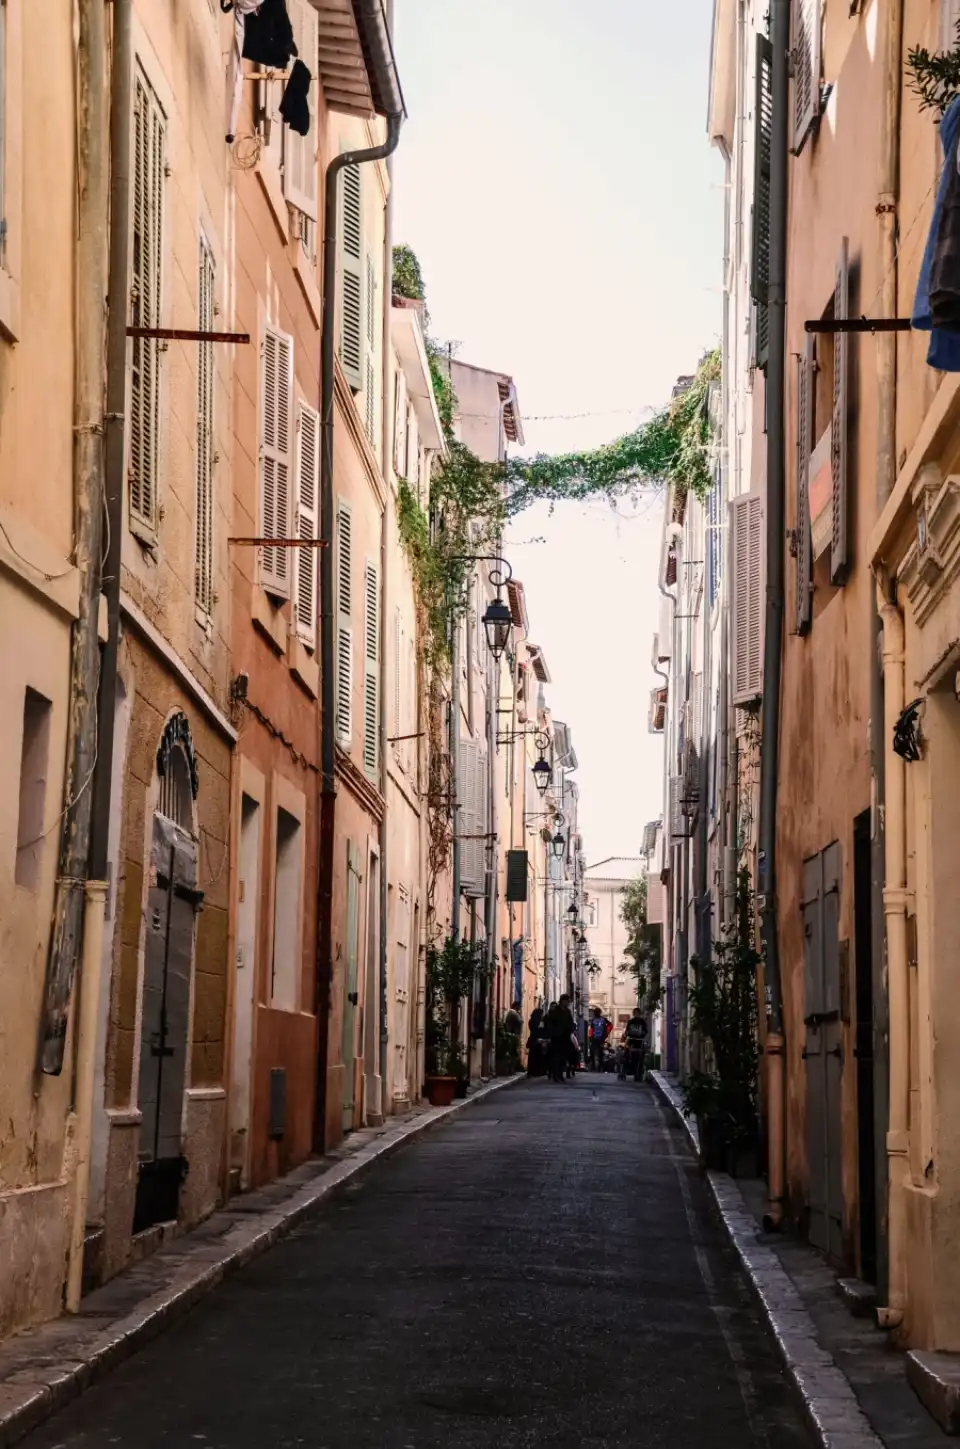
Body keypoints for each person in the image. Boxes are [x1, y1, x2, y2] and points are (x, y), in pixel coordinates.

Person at [545, 995, 576, 1082]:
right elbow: (549, 1024)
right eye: (567, 1001)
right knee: (556, 1057)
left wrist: (571, 1028)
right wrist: (550, 1035)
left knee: (563, 1057)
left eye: (568, 1001)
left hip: (565, 1036)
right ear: (562, 1001)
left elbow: (570, 1022)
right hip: (556, 1037)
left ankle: (560, 1074)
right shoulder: (554, 1011)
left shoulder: (567, 1012)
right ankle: (556, 1075)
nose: (568, 1003)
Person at [621, 1008, 648, 1082]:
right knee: (626, 1056)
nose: (636, 1015)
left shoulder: (643, 1022)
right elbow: (627, 1031)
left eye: (637, 1013)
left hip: (639, 1042)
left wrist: (641, 1033)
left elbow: (645, 1031)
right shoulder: (631, 1021)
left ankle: (638, 1073)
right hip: (631, 1041)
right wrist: (627, 1034)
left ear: (640, 1014)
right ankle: (624, 1071)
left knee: (640, 1059)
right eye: (635, 1013)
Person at [588, 1007, 610, 1073]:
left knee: (596, 1053)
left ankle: (596, 1068)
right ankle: (598, 1067)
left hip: (597, 1039)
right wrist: (606, 1034)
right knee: (598, 1053)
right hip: (598, 1039)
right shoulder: (600, 1019)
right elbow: (591, 1029)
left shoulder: (595, 1020)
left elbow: (591, 1030)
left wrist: (606, 1033)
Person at [526, 1006, 545, 1077]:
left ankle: (531, 1071)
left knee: (532, 1056)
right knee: (537, 1056)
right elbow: (538, 1031)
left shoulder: (531, 1021)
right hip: (537, 1040)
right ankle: (536, 1071)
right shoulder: (539, 1022)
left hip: (533, 1039)